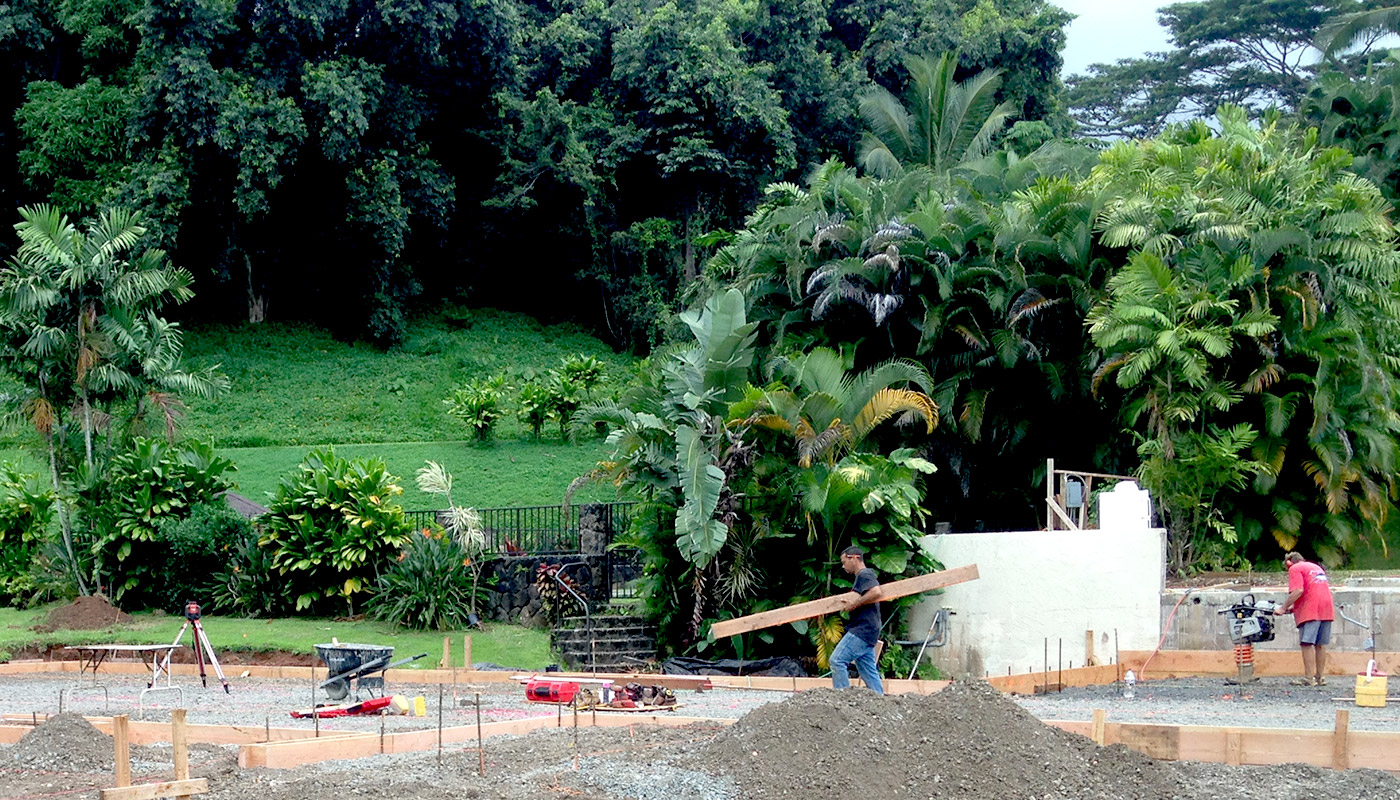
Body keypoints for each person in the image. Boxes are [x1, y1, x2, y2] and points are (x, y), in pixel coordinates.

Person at [829, 545, 884, 695]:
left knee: (837, 661)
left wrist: (854, 604)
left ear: (854, 558)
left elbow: (876, 592)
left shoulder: (864, 574)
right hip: (870, 630)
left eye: (844, 561)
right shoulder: (862, 576)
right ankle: (881, 701)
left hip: (862, 629)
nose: (843, 566)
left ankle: (843, 699)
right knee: (867, 670)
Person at [1275, 551, 1335, 686]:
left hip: (1311, 609)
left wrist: (1283, 608)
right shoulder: (1315, 567)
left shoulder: (1295, 568)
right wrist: (1293, 608)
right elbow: (1312, 590)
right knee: (1320, 644)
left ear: (1289, 563)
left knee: (1306, 643)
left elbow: (1298, 591)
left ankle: (1309, 678)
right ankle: (1320, 677)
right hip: (1326, 608)